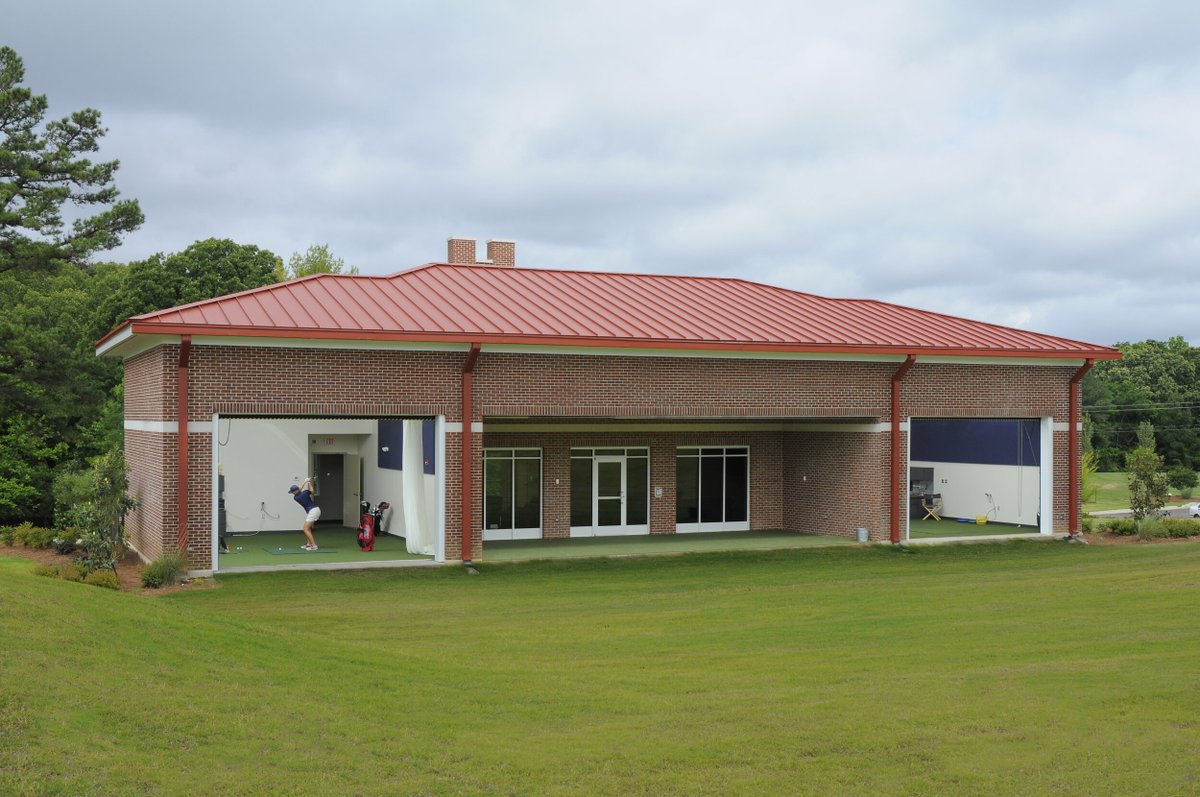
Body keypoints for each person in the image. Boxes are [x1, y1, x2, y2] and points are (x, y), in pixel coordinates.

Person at [288, 477, 320, 551]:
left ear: (295, 492)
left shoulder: (296, 497)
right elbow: (312, 490)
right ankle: (309, 544)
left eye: (292, 492)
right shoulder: (305, 493)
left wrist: (305, 482)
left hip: (313, 511)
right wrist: (308, 482)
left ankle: (314, 545)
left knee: (305, 529)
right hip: (315, 510)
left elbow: (299, 489)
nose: (292, 493)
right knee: (308, 528)